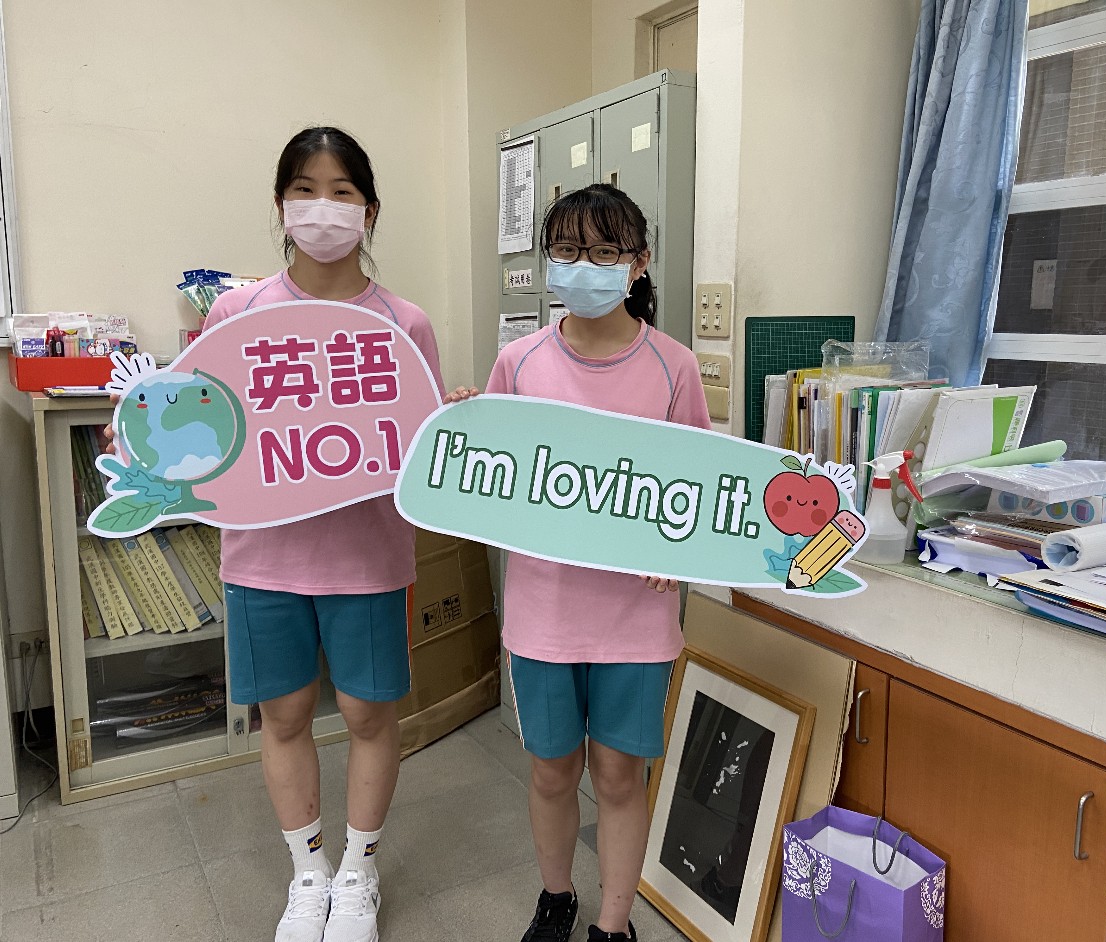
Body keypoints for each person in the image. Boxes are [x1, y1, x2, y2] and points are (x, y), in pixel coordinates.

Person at [108, 127, 446, 942]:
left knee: (369, 717)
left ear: (369, 210)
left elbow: (424, 447)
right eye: (305, 189)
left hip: (368, 558)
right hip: (262, 560)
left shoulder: (403, 323)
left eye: (341, 192)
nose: (322, 208)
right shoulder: (237, 313)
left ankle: (358, 874)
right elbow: (199, 424)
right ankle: (309, 873)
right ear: (280, 205)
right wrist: (143, 443)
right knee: (284, 717)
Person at [448, 183, 711, 942]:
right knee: (552, 769)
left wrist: (678, 549)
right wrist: (463, 428)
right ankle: (556, 897)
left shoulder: (674, 366)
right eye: (566, 250)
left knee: (620, 775)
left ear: (638, 262)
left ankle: (613, 923)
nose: (582, 266)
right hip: (545, 612)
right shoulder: (519, 360)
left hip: (636, 618)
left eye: (602, 252)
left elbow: (696, 486)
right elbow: (487, 479)